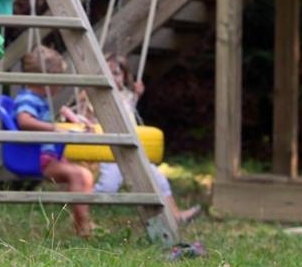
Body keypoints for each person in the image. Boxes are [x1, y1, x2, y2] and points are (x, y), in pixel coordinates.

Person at [76, 52, 200, 225]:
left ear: (125, 76)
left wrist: (138, 94)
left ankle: (175, 215)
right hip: (108, 153)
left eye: (117, 73)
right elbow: (86, 120)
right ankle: (80, 210)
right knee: (108, 188)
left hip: (131, 150)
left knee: (159, 180)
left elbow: (129, 110)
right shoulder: (95, 98)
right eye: (108, 73)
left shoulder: (127, 95)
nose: (112, 77)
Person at [14, 45, 97, 238]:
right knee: (80, 176)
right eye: (58, 77)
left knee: (85, 175)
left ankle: (82, 221)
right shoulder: (28, 98)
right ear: (48, 77)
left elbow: (45, 118)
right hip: (40, 158)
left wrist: (71, 119)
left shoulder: (38, 99)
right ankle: (83, 226)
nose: (60, 83)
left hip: (48, 156)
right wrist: (54, 129)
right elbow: (24, 120)